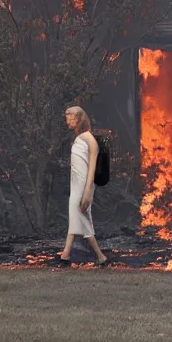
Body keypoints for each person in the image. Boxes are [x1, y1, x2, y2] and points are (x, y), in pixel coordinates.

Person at [59, 106, 108, 266]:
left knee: (79, 215)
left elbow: (92, 168)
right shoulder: (81, 138)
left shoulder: (89, 139)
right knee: (77, 216)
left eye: (70, 119)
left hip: (82, 185)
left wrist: (88, 191)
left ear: (78, 119)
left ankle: (99, 256)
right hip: (76, 184)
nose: (68, 122)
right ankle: (66, 255)